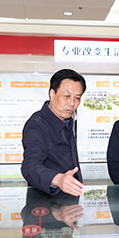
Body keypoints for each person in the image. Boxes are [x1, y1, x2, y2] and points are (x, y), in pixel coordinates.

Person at [21, 68, 85, 196]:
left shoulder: (66, 120)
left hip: (69, 200)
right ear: (52, 93)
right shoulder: (37, 124)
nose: (72, 103)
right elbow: (30, 166)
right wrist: (57, 179)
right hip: (46, 202)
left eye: (77, 98)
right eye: (67, 96)